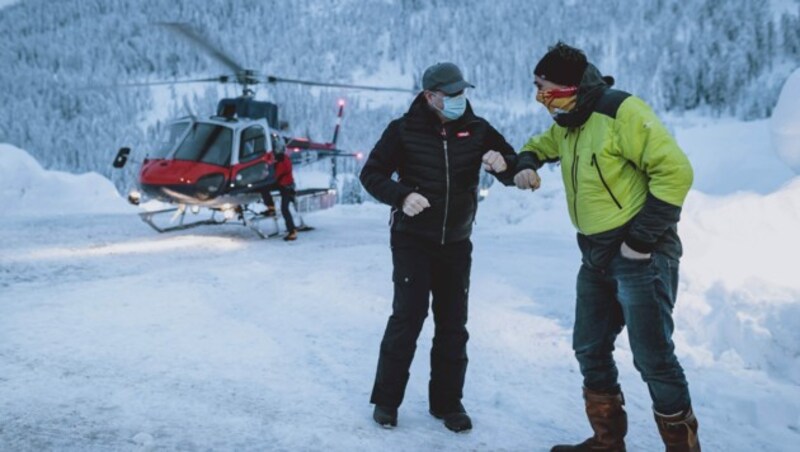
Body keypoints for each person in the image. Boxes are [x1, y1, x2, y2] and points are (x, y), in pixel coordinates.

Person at [512, 42, 700, 451]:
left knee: (654, 359)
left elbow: (676, 173)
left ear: (568, 85)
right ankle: (607, 442)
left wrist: (639, 241)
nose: (539, 96)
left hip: (641, 254)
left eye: (543, 86)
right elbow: (541, 143)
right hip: (594, 254)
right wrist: (526, 161)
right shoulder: (568, 120)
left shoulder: (620, 111)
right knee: (590, 347)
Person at [360, 62, 519, 432]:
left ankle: (447, 404)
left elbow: (511, 166)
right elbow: (371, 174)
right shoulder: (402, 130)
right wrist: (401, 197)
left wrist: (504, 164)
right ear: (430, 96)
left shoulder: (478, 130)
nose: (459, 100)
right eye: (451, 95)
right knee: (408, 318)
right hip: (412, 241)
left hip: (457, 242)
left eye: (463, 93)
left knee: (453, 325)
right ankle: (386, 401)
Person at [260, 145, 298, 241]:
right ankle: (271, 207)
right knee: (264, 188)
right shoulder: (283, 158)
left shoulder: (282, 162)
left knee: (284, 209)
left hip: (286, 187)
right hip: (283, 185)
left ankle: (292, 232)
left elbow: (276, 175)